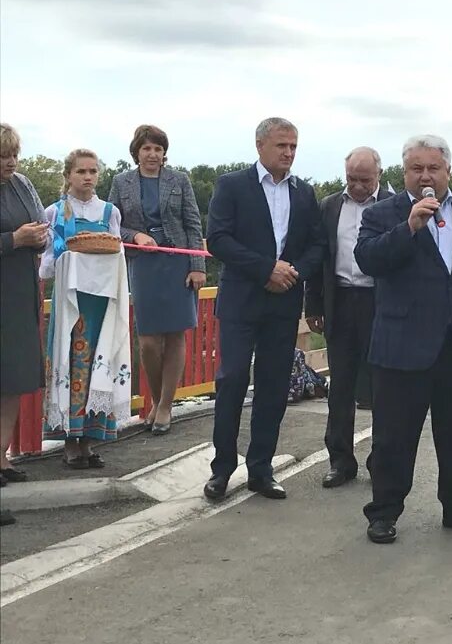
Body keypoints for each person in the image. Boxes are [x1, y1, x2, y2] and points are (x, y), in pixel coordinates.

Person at [354, 134, 452, 544]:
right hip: (402, 346)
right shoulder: (382, 213)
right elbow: (368, 260)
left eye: (433, 168)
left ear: (448, 172)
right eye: (416, 169)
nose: (425, 176)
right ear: (404, 173)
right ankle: (384, 512)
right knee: (393, 437)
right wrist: (409, 227)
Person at [202, 118, 323, 502]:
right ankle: (222, 469)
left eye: (293, 147)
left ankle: (261, 469)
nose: (288, 153)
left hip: (284, 302)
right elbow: (218, 239)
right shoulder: (232, 185)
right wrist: (264, 268)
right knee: (233, 380)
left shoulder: (304, 193)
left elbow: (318, 246)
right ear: (260, 146)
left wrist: (293, 271)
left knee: (273, 387)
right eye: (281, 146)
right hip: (242, 300)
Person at [304, 146, 393, 488]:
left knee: (382, 386)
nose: (356, 186)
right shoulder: (329, 206)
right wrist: (313, 305)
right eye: (351, 179)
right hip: (340, 299)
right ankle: (340, 461)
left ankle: (380, 460)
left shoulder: (393, 206)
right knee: (340, 386)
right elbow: (320, 257)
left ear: (379, 176)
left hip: (379, 301)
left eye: (364, 180)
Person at [109, 124, 206, 435]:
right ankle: (155, 397)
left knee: (177, 335)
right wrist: (135, 234)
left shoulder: (179, 180)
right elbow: (111, 225)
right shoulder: (121, 182)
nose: (152, 154)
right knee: (149, 341)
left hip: (177, 263)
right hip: (143, 265)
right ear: (136, 152)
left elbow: (192, 223)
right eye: (146, 149)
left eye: (157, 149)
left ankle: (165, 405)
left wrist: (197, 265)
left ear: (165, 153)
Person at [40, 149, 130, 468]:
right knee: (72, 362)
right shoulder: (55, 212)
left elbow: (117, 254)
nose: (87, 177)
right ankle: (69, 440)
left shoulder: (109, 212)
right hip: (71, 301)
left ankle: (90, 440)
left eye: (92, 171)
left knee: (97, 362)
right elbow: (47, 264)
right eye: (81, 171)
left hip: (100, 300)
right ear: (68, 175)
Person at [0, 123, 49, 514]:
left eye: (13, 155)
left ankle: (1, 458)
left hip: (19, 292)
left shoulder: (23, 183)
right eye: (2, 156)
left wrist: (39, 237)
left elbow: (43, 228)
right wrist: (13, 239)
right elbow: (18, 235)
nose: (10, 162)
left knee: (13, 378)